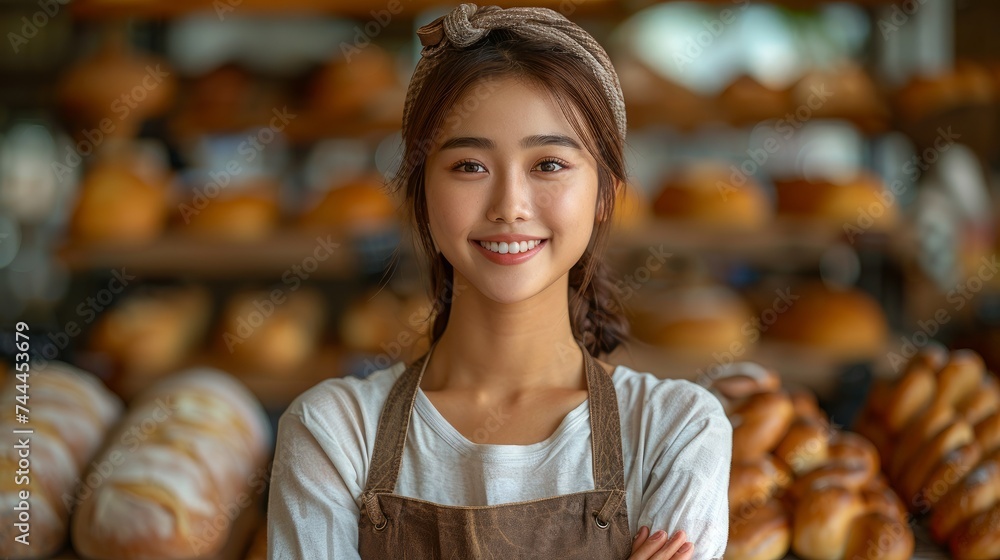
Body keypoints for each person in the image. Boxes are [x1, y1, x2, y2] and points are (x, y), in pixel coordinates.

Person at [267, 4, 731, 559]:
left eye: (549, 164)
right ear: (421, 193)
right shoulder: (333, 433)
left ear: (606, 193)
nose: (510, 206)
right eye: (469, 166)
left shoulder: (675, 431)